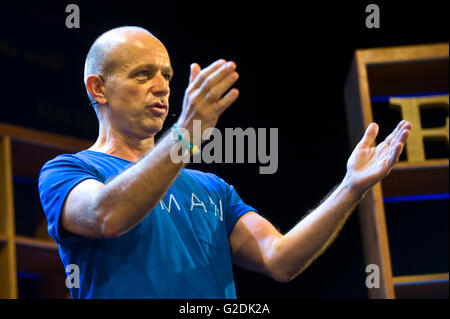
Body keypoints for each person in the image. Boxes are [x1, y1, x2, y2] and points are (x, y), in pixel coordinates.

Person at [38, 26, 411, 299]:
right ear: (98, 88)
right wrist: (185, 134)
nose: (162, 86)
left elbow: (279, 259)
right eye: (143, 74)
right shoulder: (67, 172)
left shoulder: (212, 188)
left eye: (167, 75)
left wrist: (350, 188)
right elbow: (109, 216)